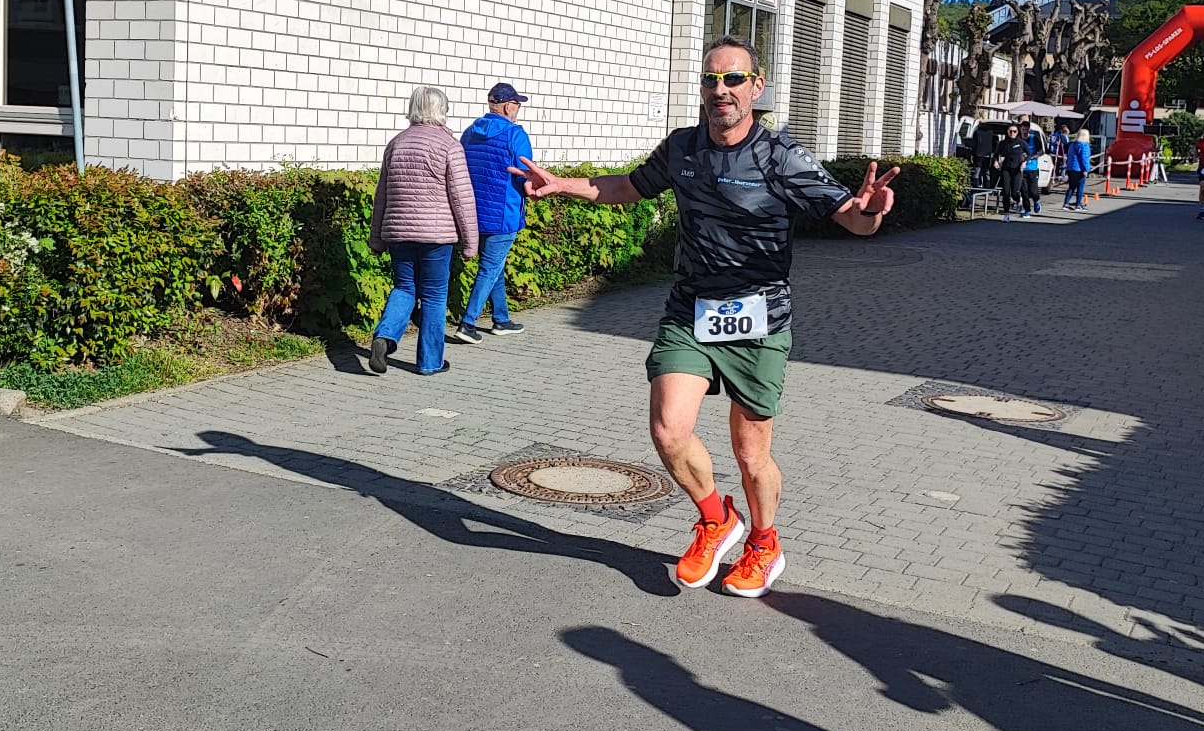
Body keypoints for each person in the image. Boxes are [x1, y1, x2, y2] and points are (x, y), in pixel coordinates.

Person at [511, 35, 897, 599]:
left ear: (756, 88)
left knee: (750, 452)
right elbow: (630, 187)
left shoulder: (780, 156)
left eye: (733, 79)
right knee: (669, 429)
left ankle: (763, 543)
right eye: (711, 79)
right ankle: (716, 519)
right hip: (690, 309)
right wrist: (564, 184)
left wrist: (871, 214)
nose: (721, 90)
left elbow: (851, 217)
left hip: (759, 317)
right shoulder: (683, 148)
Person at [367, 86, 478, 376]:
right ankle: (430, 362)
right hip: (436, 236)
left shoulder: (396, 144)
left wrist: (376, 237)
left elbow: (382, 195)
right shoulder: (449, 146)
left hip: (398, 233)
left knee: (404, 287)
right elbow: (462, 198)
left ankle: (384, 336)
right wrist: (470, 243)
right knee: (434, 296)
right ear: (442, 110)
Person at [453, 82, 532, 344]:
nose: (518, 109)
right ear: (508, 106)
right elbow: (526, 175)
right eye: (517, 104)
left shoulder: (469, 133)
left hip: (473, 213)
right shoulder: (515, 135)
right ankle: (468, 323)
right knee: (489, 268)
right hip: (503, 214)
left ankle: (501, 319)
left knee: (494, 265)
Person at [996, 124, 1029, 220]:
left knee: (1014, 192)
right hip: (1006, 169)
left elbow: (1029, 154)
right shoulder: (1003, 143)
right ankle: (1006, 214)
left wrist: (1024, 162)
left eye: (1014, 131)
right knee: (1006, 192)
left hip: (1017, 169)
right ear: (1007, 132)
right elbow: (996, 154)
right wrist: (995, 161)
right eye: (1010, 131)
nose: (1012, 133)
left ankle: (1019, 200)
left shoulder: (1021, 142)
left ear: (1017, 132)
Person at [1063, 128, 1093, 210]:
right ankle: (1078, 205)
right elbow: (1084, 158)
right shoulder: (1084, 145)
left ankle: (1066, 203)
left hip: (1070, 167)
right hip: (1079, 169)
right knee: (1080, 187)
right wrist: (1086, 169)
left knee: (1071, 186)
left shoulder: (1072, 144)